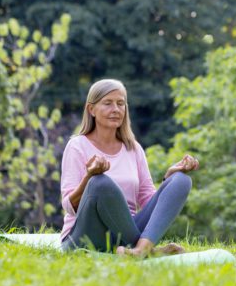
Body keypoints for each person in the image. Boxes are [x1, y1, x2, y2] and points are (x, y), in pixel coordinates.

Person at [60, 79, 199, 257]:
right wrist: (89, 177)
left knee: (181, 180)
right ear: (91, 109)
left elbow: (149, 202)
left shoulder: (133, 149)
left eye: (121, 104)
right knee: (100, 183)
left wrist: (168, 180)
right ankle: (151, 252)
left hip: (124, 237)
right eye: (108, 103)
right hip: (84, 236)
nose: (116, 109)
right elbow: (69, 207)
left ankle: (140, 250)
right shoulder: (77, 146)